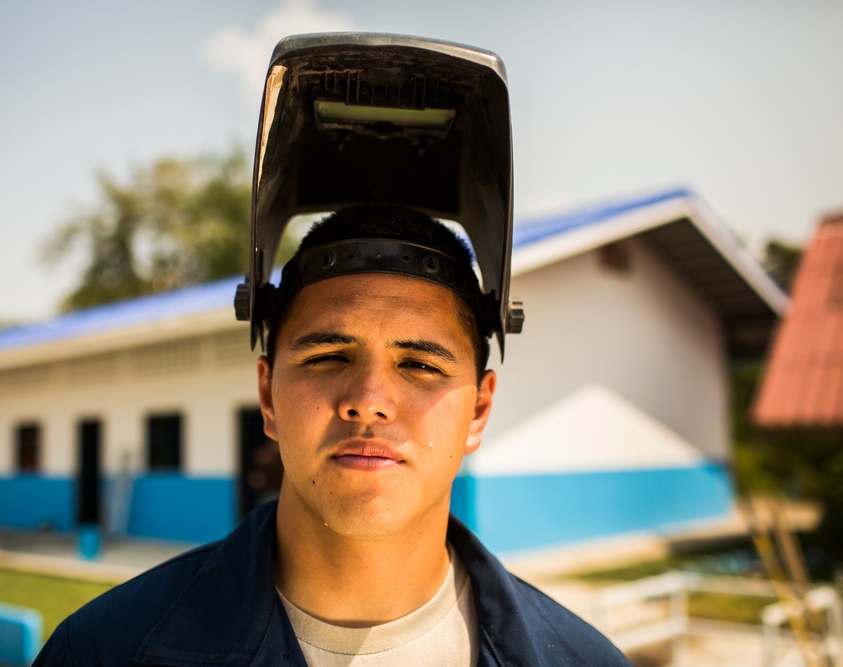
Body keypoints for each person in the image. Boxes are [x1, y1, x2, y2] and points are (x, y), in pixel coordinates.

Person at [33, 204, 630, 666]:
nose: (368, 402)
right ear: (268, 396)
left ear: (478, 410)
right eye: (327, 357)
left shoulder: (586, 661)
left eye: (420, 365)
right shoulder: (101, 650)